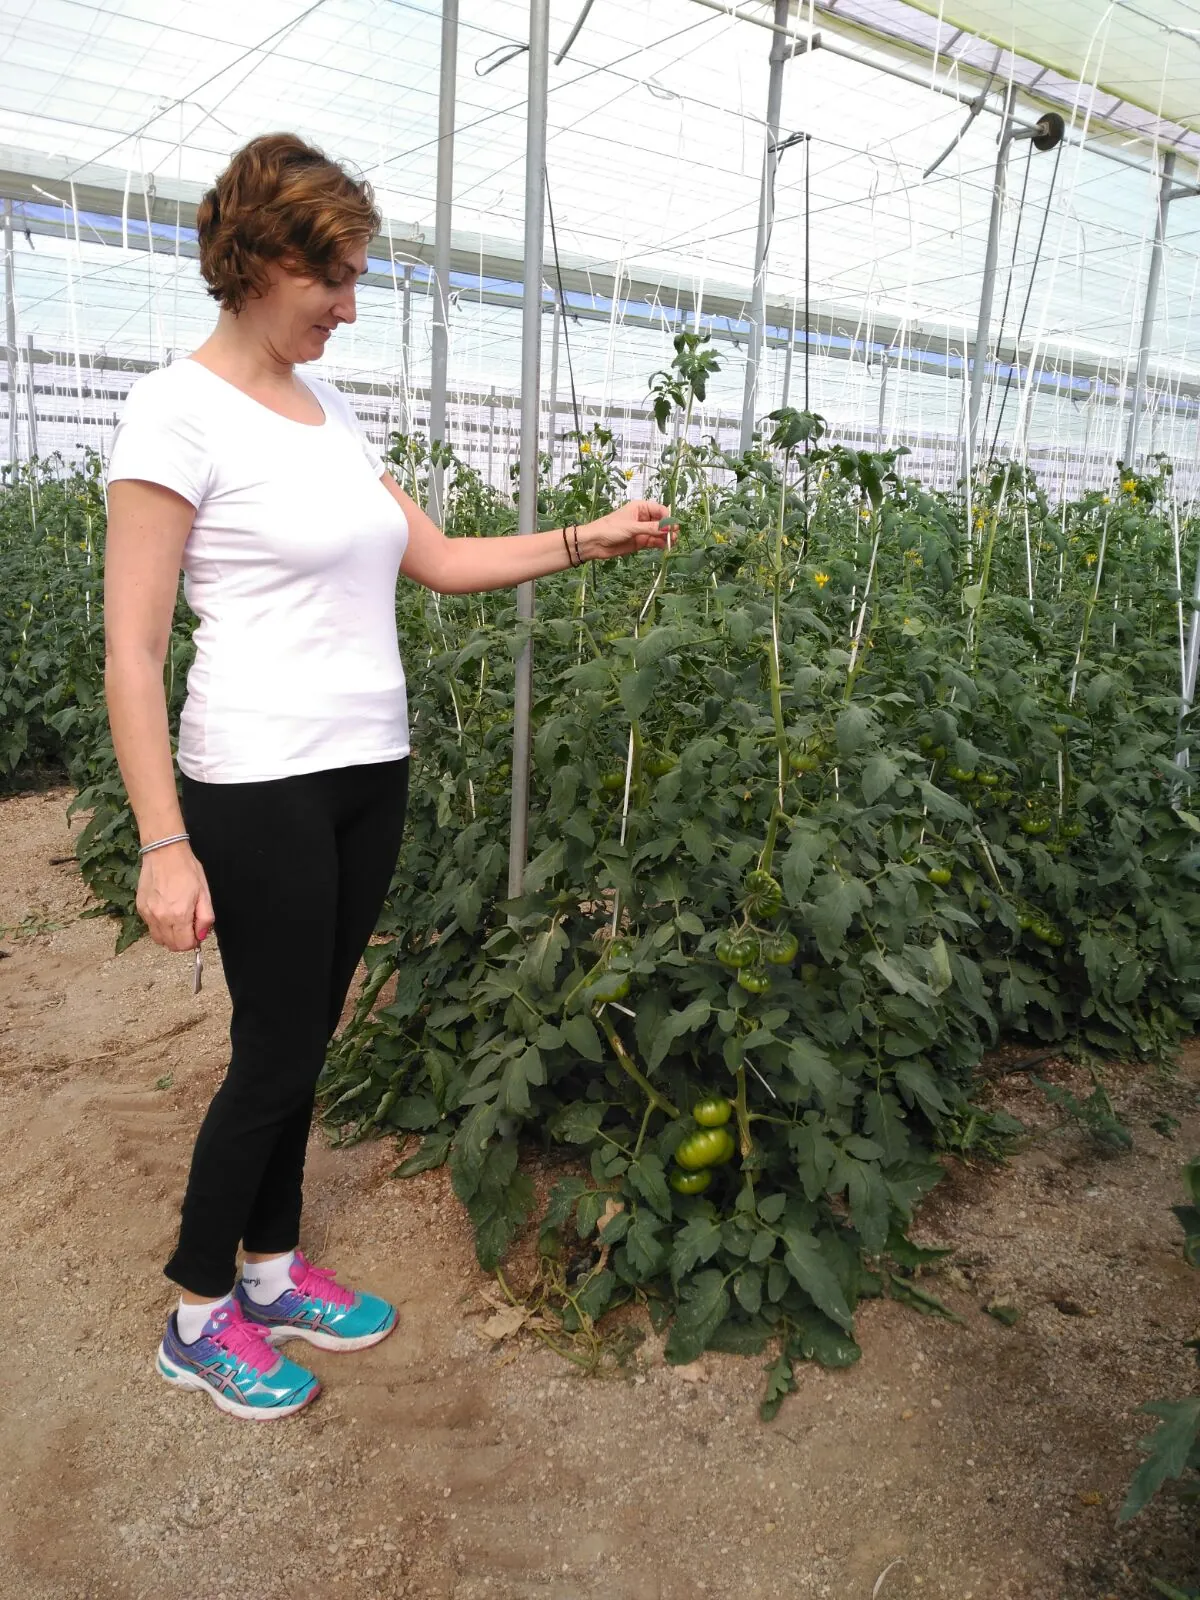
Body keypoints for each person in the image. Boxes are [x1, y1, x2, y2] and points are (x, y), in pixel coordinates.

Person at [103, 132, 672, 1421]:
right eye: (336, 278)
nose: (350, 307)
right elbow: (132, 652)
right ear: (261, 260)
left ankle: (269, 1268)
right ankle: (197, 1312)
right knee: (275, 1050)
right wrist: (162, 843)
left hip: (369, 767)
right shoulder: (174, 411)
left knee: (308, 1032)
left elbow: (441, 559)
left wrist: (589, 540)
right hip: (259, 776)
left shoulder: (331, 413)